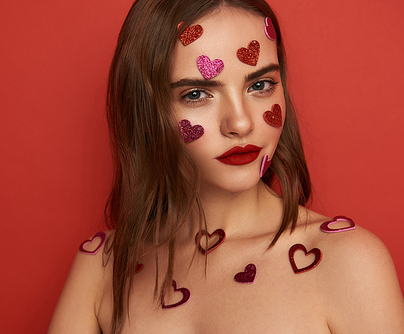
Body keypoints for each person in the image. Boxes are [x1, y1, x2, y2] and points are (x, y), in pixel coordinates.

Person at [48, 0, 404, 332]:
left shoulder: (350, 262)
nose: (241, 123)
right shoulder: (103, 267)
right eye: (197, 94)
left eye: (260, 84)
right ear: (147, 111)